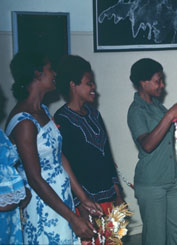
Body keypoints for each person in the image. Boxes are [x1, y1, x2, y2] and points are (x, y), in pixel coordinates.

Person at [5, 52, 103, 244]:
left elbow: (60, 157)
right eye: (50, 69)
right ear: (37, 74)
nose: (55, 73)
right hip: (43, 205)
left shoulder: (43, 110)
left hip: (61, 199)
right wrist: (72, 217)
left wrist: (83, 198)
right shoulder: (24, 121)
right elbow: (34, 178)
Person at [54, 55, 124, 243]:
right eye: (88, 83)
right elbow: (65, 165)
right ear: (72, 85)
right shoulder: (62, 119)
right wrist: (80, 205)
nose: (94, 88)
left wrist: (117, 192)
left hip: (108, 197)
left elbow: (106, 154)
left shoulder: (94, 114)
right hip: (86, 204)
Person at [127, 58, 177, 245]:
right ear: (143, 82)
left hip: (171, 178)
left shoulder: (158, 106)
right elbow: (147, 144)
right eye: (158, 81)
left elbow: (170, 135)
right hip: (151, 183)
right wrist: (171, 114)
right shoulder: (136, 111)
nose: (162, 85)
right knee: (156, 238)